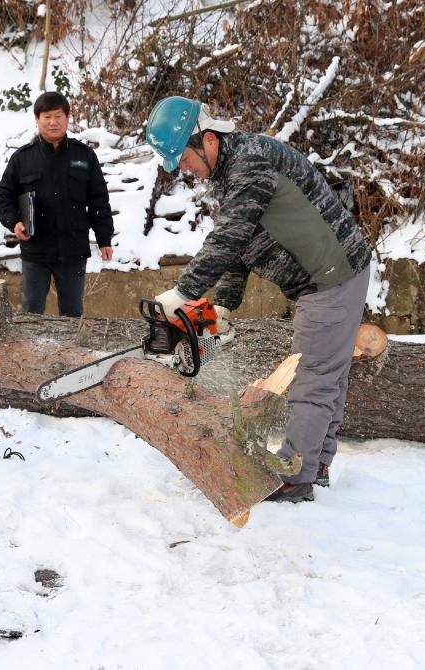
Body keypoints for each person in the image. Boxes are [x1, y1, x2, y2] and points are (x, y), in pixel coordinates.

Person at [145, 96, 372, 503]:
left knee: (313, 378)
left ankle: (294, 475)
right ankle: (316, 464)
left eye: (183, 158)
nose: (183, 168)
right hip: (328, 277)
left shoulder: (250, 162)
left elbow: (229, 236)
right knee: (329, 375)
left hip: (330, 279)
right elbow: (241, 245)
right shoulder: (230, 171)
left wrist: (185, 293)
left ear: (207, 140)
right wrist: (224, 306)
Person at [0, 91, 114, 316]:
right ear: (37, 119)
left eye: (58, 116)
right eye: (47, 116)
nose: (53, 122)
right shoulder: (22, 158)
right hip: (36, 251)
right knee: (32, 312)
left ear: (67, 118)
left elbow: (99, 200)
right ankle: (30, 352)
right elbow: (4, 196)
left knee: (72, 313)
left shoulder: (84, 156)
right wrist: (15, 223)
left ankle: (72, 352)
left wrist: (104, 238)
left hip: (73, 250)